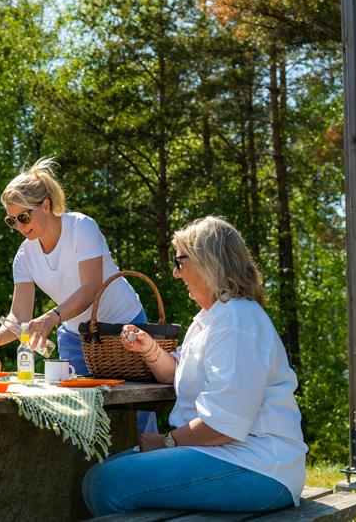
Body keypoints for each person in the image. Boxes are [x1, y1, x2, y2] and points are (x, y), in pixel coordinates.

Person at [82, 216, 307, 515]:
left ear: (207, 261)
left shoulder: (238, 320)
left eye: (179, 262)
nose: (176, 274)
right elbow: (177, 372)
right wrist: (149, 349)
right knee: (100, 475)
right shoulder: (211, 317)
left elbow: (222, 426)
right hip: (226, 454)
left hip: (259, 464)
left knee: (106, 483)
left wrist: (166, 441)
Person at [0, 157, 156, 433]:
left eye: (23, 217)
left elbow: (91, 288)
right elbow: (18, 318)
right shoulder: (24, 256)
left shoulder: (81, 227)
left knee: (136, 421)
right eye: (11, 220)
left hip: (125, 329)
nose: (18, 226)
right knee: (83, 422)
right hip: (76, 338)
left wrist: (51, 317)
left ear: (45, 205)